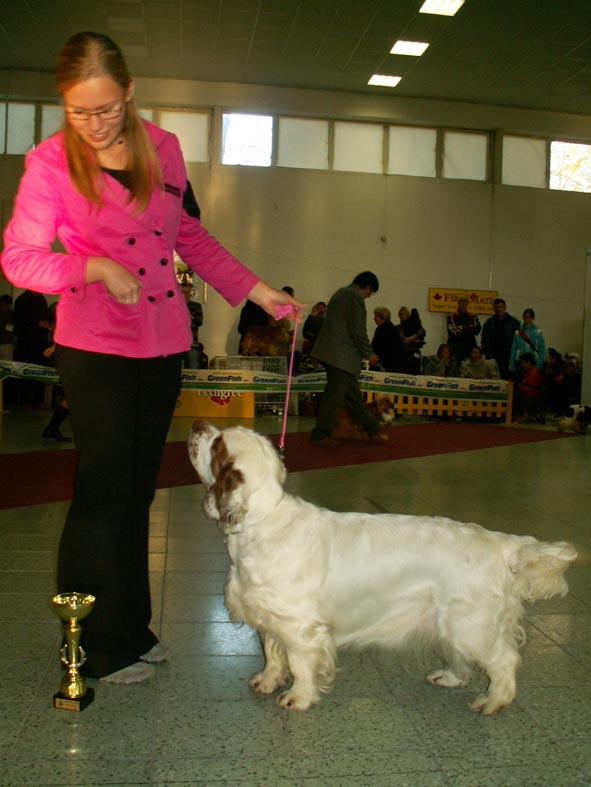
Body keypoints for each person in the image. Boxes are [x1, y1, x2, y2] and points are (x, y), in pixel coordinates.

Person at [1, 31, 301, 686]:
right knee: (101, 493)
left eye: (105, 108)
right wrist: (91, 265)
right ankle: (90, 647)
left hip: (161, 341)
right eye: (79, 111)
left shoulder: (164, 148)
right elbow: (19, 257)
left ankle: (130, 628)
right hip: (95, 345)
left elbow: (188, 233)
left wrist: (255, 289)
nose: (94, 123)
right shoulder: (50, 163)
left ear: (130, 93)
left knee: (138, 492)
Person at [310, 271, 385, 446]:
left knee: (353, 397)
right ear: (366, 286)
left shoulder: (341, 293)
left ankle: (373, 428)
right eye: (370, 292)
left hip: (334, 355)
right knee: (334, 398)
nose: (368, 296)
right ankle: (320, 434)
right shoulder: (354, 297)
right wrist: (369, 353)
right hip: (340, 357)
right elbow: (357, 330)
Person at [12, 288, 51, 409]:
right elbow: (18, 322)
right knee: (26, 370)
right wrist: (37, 323)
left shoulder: (41, 298)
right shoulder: (23, 300)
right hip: (27, 343)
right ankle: (25, 401)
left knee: (39, 370)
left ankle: (38, 400)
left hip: (41, 341)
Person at [481, 298, 520, 380]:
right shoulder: (489, 323)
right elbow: (484, 341)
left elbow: (518, 341)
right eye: (496, 307)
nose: (498, 309)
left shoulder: (514, 323)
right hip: (493, 357)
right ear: (494, 309)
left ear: (505, 307)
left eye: (500, 307)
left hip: (509, 357)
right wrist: (489, 356)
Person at [509, 308, 546, 376]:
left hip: (534, 363)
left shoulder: (538, 332)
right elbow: (514, 350)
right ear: (523, 318)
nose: (527, 319)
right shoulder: (518, 333)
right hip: (521, 363)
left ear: (533, 318)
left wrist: (539, 364)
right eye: (525, 317)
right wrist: (511, 365)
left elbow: (542, 349)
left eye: (529, 317)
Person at [446, 295, 481, 366]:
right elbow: (453, 331)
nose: (463, 303)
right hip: (455, 349)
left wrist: (463, 327)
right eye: (461, 300)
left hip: (470, 349)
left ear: (468, 303)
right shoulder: (451, 316)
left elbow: (477, 330)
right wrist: (469, 328)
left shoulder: (473, 316)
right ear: (458, 302)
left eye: (465, 301)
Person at [513, 352, 544, 423]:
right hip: (527, 394)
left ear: (529, 362)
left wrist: (519, 386)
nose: (521, 365)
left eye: (522, 363)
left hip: (531, 397)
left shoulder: (533, 372)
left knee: (515, 394)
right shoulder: (528, 371)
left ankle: (521, 414)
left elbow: (530, 389)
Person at [371, 306, 404, 372]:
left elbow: (375, 347)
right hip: (398, 364)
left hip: (388, 365)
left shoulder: (381, 330)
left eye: (376, 316)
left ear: (382, 317)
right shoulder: (392, 328)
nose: (374, 319)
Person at [396, 306, 425, 374]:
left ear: (408, 315)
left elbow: (422, 332)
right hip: (402, 354)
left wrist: (410, 339)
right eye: (401, 314)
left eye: (404, 314)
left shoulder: (414, 326)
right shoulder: (397, 328)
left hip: (414, 353)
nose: (402, 316)